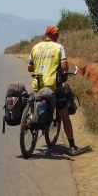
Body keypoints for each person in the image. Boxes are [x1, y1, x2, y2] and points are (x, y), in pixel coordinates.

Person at [28, 25, 81, 155]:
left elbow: (30, 68)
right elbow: (64, 66)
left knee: (36, 104)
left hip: (39, 86)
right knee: (64, 116)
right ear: (54, 35)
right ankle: (72, 146)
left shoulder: (35, 47)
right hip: (54, 86)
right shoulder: (58, 47)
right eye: (57, 35)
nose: (58, 37)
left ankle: (30, 121)